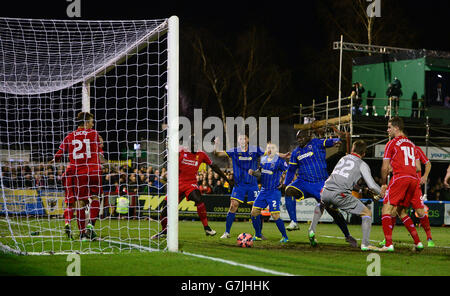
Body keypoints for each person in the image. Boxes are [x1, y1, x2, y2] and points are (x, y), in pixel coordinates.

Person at [280, 129, 358, 247]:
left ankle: (347, 235)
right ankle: (294, 222)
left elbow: (329, 142)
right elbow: (291, 170)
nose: (299, 139)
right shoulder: (296, 152)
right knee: (289, 191)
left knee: (333, 211)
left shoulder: (316, 143)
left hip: (321, 183)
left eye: (301, 137)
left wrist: (337, 140)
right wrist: (285, 183)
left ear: (308, 136)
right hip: (304, 182)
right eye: (298, 138)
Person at [151, 134, 232, 239]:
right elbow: (166, 160)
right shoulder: (181, 151)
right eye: (192, 144)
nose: (194, 145)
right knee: (164, 210)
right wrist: (168, 156)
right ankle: (164, 231)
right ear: (188, 144)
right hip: (177, 184)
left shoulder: (201, 154)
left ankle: (207, 227)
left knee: (198, 198)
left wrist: (226, 179)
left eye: (196, 143)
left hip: (191, 184)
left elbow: (214, 166)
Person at [214, 133, 289, 239]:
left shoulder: (255, 149)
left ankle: (258, 234)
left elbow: (270, 152)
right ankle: (227, 232)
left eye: (244, 138)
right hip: (239, 184)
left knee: (256, 209)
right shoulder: (234, 151)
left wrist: (283, 155)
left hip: (253, 184)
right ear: (238, 140)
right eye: (240, 138)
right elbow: (217, 154)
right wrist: (216, 145)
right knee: (233, 205)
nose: (242, 140)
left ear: (247, 140)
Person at [311, 140, 381, 251]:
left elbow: (344, 180)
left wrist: (362, 189)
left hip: (325, 190)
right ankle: (365, 244)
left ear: (352, 150)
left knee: (322, 204)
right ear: (364, 153)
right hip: (339, 194)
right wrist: (384, 194)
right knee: (366, 212)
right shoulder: (362, 164)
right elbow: (372, 185)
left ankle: (311, 230)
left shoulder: (343, 159)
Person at [51, 112, 106, 241]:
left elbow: (59, 154)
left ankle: (82, 234)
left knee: (79, 202)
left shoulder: (70, 136)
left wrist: (54, 159)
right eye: (91, 122)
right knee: (96, 197)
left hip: (78, 172)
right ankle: (91, 225)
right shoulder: (93, 134)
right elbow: (100, 150)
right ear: (86, 122)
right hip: (93, 170)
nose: (93, 124)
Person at [379, 116, 423, 252]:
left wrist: (383, 184)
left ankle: (388, 244)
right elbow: (417, 167)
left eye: (389, 127)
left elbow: (384, 168)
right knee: (401, 211)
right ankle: (418, 242)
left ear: (396, 128)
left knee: (385, 210)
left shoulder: (391, 143)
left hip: (400, 178)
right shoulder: (411, 144)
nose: (387, 130)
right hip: (413, 180)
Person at [379, 145, 434, 247]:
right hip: (406, 184)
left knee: (420, 212)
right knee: (395, 211)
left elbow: (427, 164)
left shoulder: (415, 148)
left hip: (413, 185)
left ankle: (429, 238)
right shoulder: (400, 150)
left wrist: (425, 176)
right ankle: (388, 238)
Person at [248, 142, 289, 243]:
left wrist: (283, 183)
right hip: (263, 191)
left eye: (272, 147)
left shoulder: (280, 161)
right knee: (254, 212)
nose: (270, 149)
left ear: (276, 150)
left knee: (275, 215)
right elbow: (260, 172)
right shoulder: (263, 159)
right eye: (268, 147)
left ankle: (285, 237)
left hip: (274, 191)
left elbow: (288, 171)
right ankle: (258, 235)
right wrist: (253, 172)